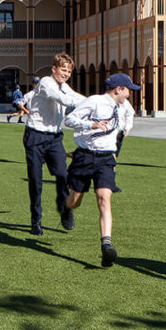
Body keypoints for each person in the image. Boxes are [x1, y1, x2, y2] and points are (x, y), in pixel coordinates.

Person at [63, 73, 138, 266]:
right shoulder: (94, 101)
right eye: (128, 90)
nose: (130, 94)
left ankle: (106, 246)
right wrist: (91, 124)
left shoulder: (122, 107)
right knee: (75, 201)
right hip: (85, 157)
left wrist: (112, 151)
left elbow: (116, 131)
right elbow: (69, 120)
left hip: (106, 159)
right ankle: (67, 208)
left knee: (104, 198)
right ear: (118, 89)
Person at [20, 53, 85, 235]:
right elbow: (63, 99)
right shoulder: (46, 83)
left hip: (54, 138)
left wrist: (96, 103)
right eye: (63, 70)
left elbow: (76, 97)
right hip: (35, 136)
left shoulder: (64, 86)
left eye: (69, 71)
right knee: (35, 180)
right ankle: (36, 220)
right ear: (54, 68)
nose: (66, 74)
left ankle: (65, 209)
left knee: (63, 175)